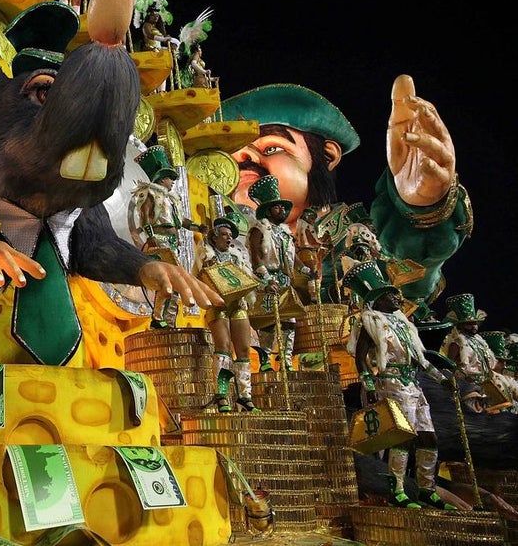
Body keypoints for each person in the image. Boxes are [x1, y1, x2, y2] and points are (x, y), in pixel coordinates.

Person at [221, 78, 471, 328]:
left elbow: (406, 261)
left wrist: (423, 206)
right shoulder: (222, 242)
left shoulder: (352, 236)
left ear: (327, 155)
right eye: (232, 156)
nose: (245, 157)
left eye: (271, 148)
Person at [346, 258, 457, 510]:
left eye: (395, 294)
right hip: (391, 383)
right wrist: (369, 385)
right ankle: (397, 490)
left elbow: (420, 359)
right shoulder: (370, 321)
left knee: (429, 438)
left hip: (413, 384)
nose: (397, 298)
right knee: (402, 436)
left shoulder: (405, 326)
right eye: (390, 295)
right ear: (378, 300)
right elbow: (360, 356)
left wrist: (442, 380)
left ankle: (427, 489)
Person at [128, 144, 204, 326]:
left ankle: (168, 322)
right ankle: (158, 318)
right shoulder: (149, 194)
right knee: (169, 282)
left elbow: (181, 221)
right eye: (170, 178)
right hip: (160, 242)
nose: (173, 182)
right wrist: (151, 236)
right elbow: (145, 217)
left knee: (175, 283)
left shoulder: (171, 200)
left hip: (173, 243)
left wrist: (198, 227)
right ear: (162, 179)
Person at [246, 175, 316, 372]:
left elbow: (292, 257)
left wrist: (306, 270)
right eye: (277, 207)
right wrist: (266, 279)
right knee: (268, 321)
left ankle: (286, 360)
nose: (282, 211)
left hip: (285, 282)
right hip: (266, 281)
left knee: (289, 321)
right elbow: (256, 256)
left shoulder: (285, 232)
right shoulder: (259, 229)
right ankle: (265, 360)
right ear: (268, 210)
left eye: (283, 208)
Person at [200, 215, 261, 412]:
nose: (228, 238)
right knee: (223, 347)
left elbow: (246, 279)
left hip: (238, 304)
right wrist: (205, 268)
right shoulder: (206, 255)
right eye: (225, 235)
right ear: (215, 237)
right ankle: (222, 395)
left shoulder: (237, 258)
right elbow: (199, 279)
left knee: (243, 349)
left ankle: (245, 396)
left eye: (230, 236)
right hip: (218, 305)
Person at [440, 294, 509, 414]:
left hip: (487, 385)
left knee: (498, 414)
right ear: (460, 324)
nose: (474, 327)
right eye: (470, 324)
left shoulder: (479, 341)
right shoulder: (456, 342)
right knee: (474, 416)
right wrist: (463, 377)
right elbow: (449, 365)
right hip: (468, 387)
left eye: (475, 323)